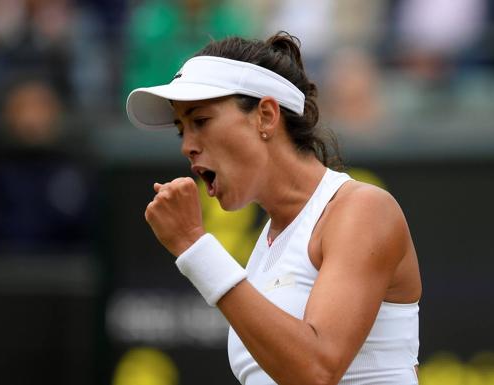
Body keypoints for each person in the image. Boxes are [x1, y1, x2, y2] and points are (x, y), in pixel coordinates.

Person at [126, 32, 422, 385]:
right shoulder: (266, 249)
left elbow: (316, 371)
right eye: (181, 130)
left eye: (200, 121)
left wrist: (194, 246)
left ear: (266, 115)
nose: (187, 146)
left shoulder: (363, 209)